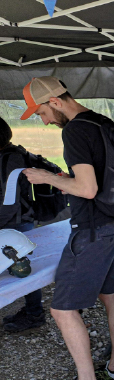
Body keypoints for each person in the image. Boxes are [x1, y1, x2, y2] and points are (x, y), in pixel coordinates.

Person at [20, 76, 114, 380]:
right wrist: (67, 182)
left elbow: (87, 189)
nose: (44, 121)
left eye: (40, 113)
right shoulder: (101, 122)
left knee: (62, 308)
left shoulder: (75, 131)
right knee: (111, 294)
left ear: (55, 101)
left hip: (93, 230)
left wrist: (47, 178)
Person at [0, 116, 45, 332]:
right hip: (14, 221)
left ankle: (34, 314)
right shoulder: (12, 154)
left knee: (24, 270)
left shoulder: (11, 159)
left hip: (14, 224)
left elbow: (9, 201)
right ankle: (33, 311)